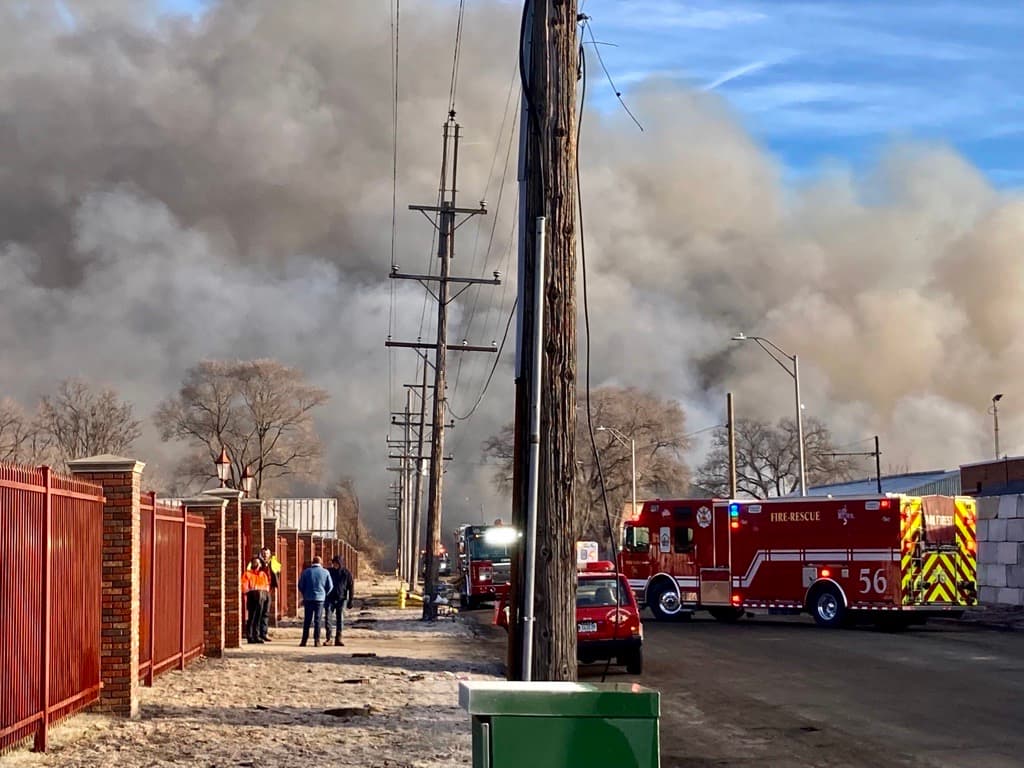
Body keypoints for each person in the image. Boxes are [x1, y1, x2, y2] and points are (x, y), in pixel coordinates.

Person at [297, 555, 333, 647]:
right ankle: (316, 641)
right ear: (321, 563)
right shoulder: (325, 572)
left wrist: (305, 593)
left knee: (307, 620)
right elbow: (330, 586)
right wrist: (324, 593)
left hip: (308, 598)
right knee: (318, 620)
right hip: (320, 599)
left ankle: (304, 641)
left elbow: (300, 585)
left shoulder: (306, 572)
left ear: (312, 562)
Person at [325, 555, 354, 646]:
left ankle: (338, 638)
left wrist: (350, 600)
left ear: (341, 563)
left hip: (341, 599)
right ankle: (329, 638)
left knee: (340, 619)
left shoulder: (347, 573)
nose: (335, 565)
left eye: (336, 563)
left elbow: (351, 587)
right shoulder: (329, 572)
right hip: (330, 598)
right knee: (328, 618)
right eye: (334, 563)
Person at [241, 556, 269, 644]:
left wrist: (265, 595)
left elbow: (266, 586)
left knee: (259, 617)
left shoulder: (263, 574)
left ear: (260, 564)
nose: (255, 564)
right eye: (253, 562)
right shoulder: (247, 574)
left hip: (262, 598)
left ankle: (256, 636)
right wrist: (250, 592)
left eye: (257, 562)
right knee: (251, 618)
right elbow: (244, 586)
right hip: (252, 597)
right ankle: (250, 636)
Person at [258, 547, 281, 642]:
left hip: (268, 590)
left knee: (266, 613)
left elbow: (278, 571)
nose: (265, 555)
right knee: (258, 613)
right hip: (258, 590)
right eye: (263, 553)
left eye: (266, 554)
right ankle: (257, 634)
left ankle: (264, 633)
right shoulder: (256, 562)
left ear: (269, 554)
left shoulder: (273, 562)